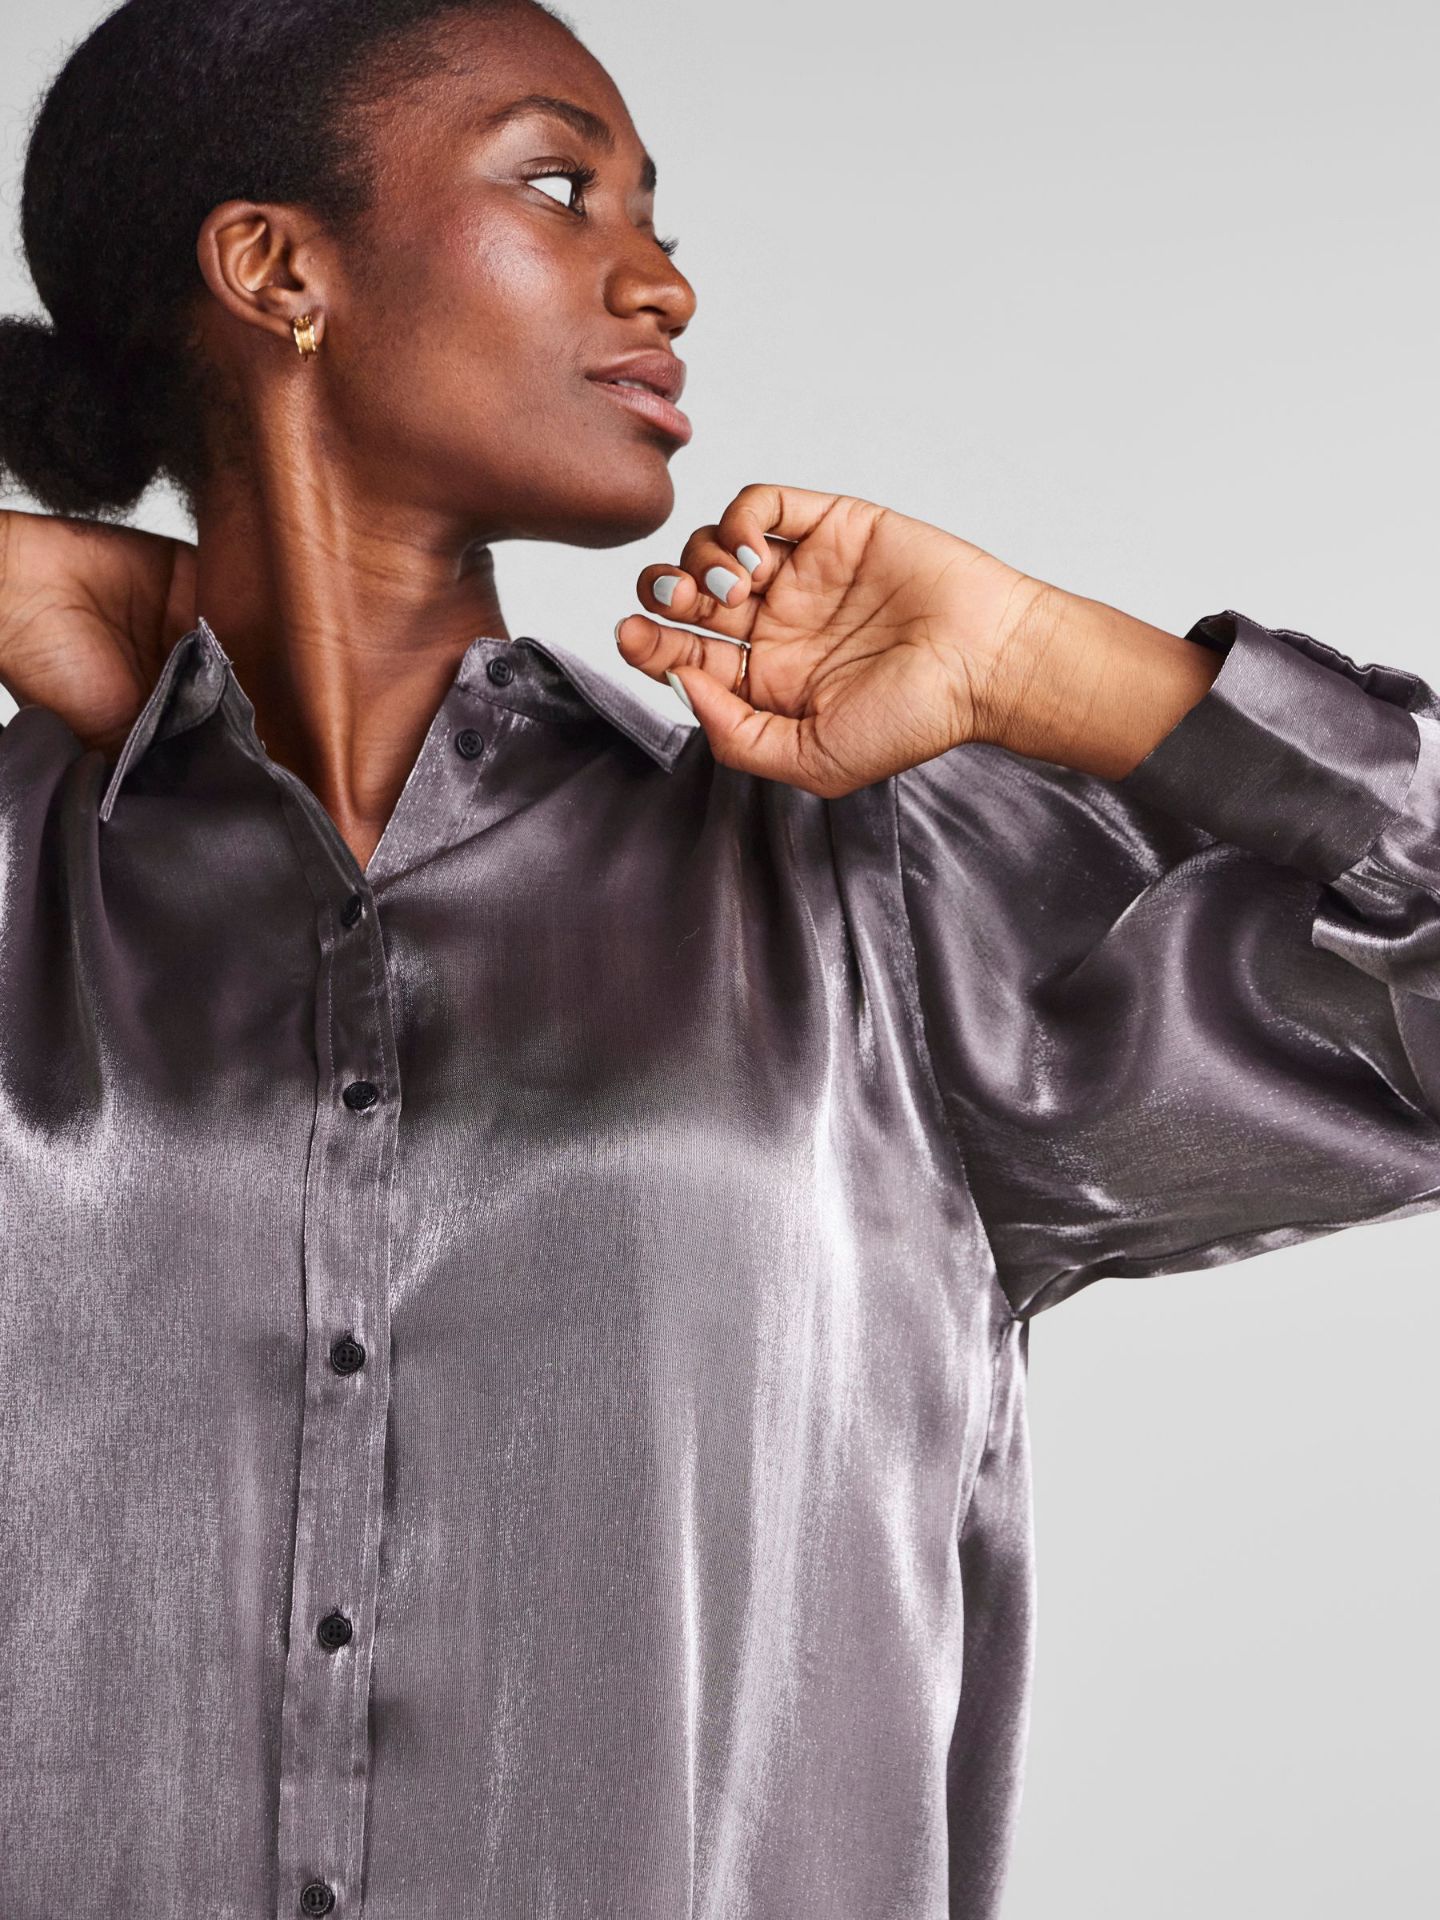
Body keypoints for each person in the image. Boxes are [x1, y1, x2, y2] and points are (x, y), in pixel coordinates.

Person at [2, 3, 1438, 1918]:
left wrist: (1054, 664)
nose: (662, 284)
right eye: (560, 188)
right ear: (278, 269)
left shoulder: (880, 901)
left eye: (653, 218)